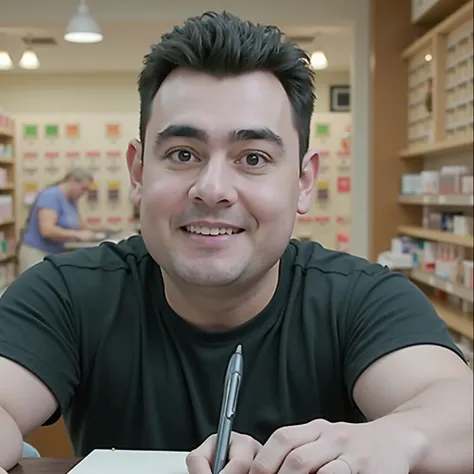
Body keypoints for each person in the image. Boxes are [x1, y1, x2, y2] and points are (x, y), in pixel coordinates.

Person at [0, 11, 472, 474]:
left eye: (253, 157)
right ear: (139, 173)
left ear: (304, 181)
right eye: (183, 154)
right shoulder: (66, 294)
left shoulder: (362, 299)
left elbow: (457, 409)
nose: (212, 188)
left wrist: (392, 438)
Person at [17, 168, 97, 272]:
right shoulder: (51, 196)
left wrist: (99, 231)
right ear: (72, 180)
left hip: (53, 254)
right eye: (83, 188)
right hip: (37, 254)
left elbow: (79, 225)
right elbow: (47, 230)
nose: (84, 193)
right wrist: (77, 235)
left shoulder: (71, 200)